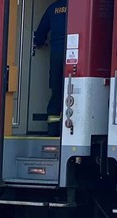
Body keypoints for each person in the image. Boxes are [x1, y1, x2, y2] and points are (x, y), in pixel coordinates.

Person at [34, 0, 68, 135]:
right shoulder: (79, 6)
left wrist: (40, 42)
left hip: (56, 56)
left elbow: (40, 35)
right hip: (77, 55)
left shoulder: (53, 8)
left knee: (56, 91)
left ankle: (53, 130)